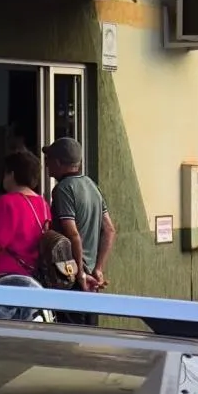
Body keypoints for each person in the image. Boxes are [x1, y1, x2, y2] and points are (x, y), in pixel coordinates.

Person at [44, 137, 116, 326]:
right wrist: (98, 269)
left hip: (72, 277)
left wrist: (80, 275)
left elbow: (73, 234)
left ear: (58, 163)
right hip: (91, 279)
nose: (46, 164)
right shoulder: (92, 185)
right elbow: (109, 229)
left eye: (49, 159)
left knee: (70, 338)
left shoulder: (63, 189)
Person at [0, 149, 52, 280]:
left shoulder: (6, 202)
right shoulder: (43, 203)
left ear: (11, 174)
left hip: (5, 278)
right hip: (33, 276)